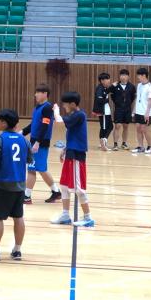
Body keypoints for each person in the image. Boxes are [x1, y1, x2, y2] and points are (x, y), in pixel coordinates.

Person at [0, 109, 32, 261]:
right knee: (18, 217)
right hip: (20, 185)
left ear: (4, 123)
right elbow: (29, 159)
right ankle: (17, 251)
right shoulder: (24, 140)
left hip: (3, 185)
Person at [51, 91, 94, 228]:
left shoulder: (79, 115)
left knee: (78, 189)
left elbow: (59, 122)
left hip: (77, 155)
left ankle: (88, 218)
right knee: (64, 186)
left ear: (73, 104)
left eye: (65, 104)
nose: (64, 107)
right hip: (70, 152)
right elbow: (73, 135)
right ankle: (65, 215)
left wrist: (56, 111)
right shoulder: (73, 115)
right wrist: (65, 149)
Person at [22, 84, 61, 204]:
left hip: (40, 142)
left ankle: (26, 196)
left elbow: (45, 126)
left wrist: (37, 142)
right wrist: (21, 133)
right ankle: (56, 192)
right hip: (35, 141)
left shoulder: (47, 108)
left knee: (32, 169)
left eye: (38, 92)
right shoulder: (37, 108)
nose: (35, 95)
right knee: (41, 169)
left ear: (45, 94)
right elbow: (33, 125)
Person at [131, 68, 151, 155]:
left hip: (145, 112)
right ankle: (140, 147)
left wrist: (147, 113)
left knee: (144, 129)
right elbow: (138, 98)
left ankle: (150, 146)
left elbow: (150, 101)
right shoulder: (139, 85)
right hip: (138, 111)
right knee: (138, 128)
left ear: (144, 75)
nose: (138, 77)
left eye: (139, 75)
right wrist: (134, 110)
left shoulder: (150, 87)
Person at [111, 69, 135, 150]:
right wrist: (118, 103)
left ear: (128, 76)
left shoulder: (131, 86)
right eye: (121, 75)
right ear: (119, 76)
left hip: (127, 109)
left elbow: (132, 97)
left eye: (125, 75)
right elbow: (112, 97)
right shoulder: (115, 86)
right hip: (118, 109)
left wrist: (127, 103)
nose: (123, 77)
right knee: (117, 126)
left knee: (126, 126)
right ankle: (115, 144)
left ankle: (124, 143)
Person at [92, 72, 114, 151]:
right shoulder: (100, 88)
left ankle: (103, 142)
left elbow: (107, 91)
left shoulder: (104, 88)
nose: (109, 80)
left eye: (109, 78)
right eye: (106, 79)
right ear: (102, 81)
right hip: (103, 111)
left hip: (107, 111)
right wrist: (106, 100)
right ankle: (103, 144)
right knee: (104, 127)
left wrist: (113, 86)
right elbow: (99, 100)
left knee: (110, 126)